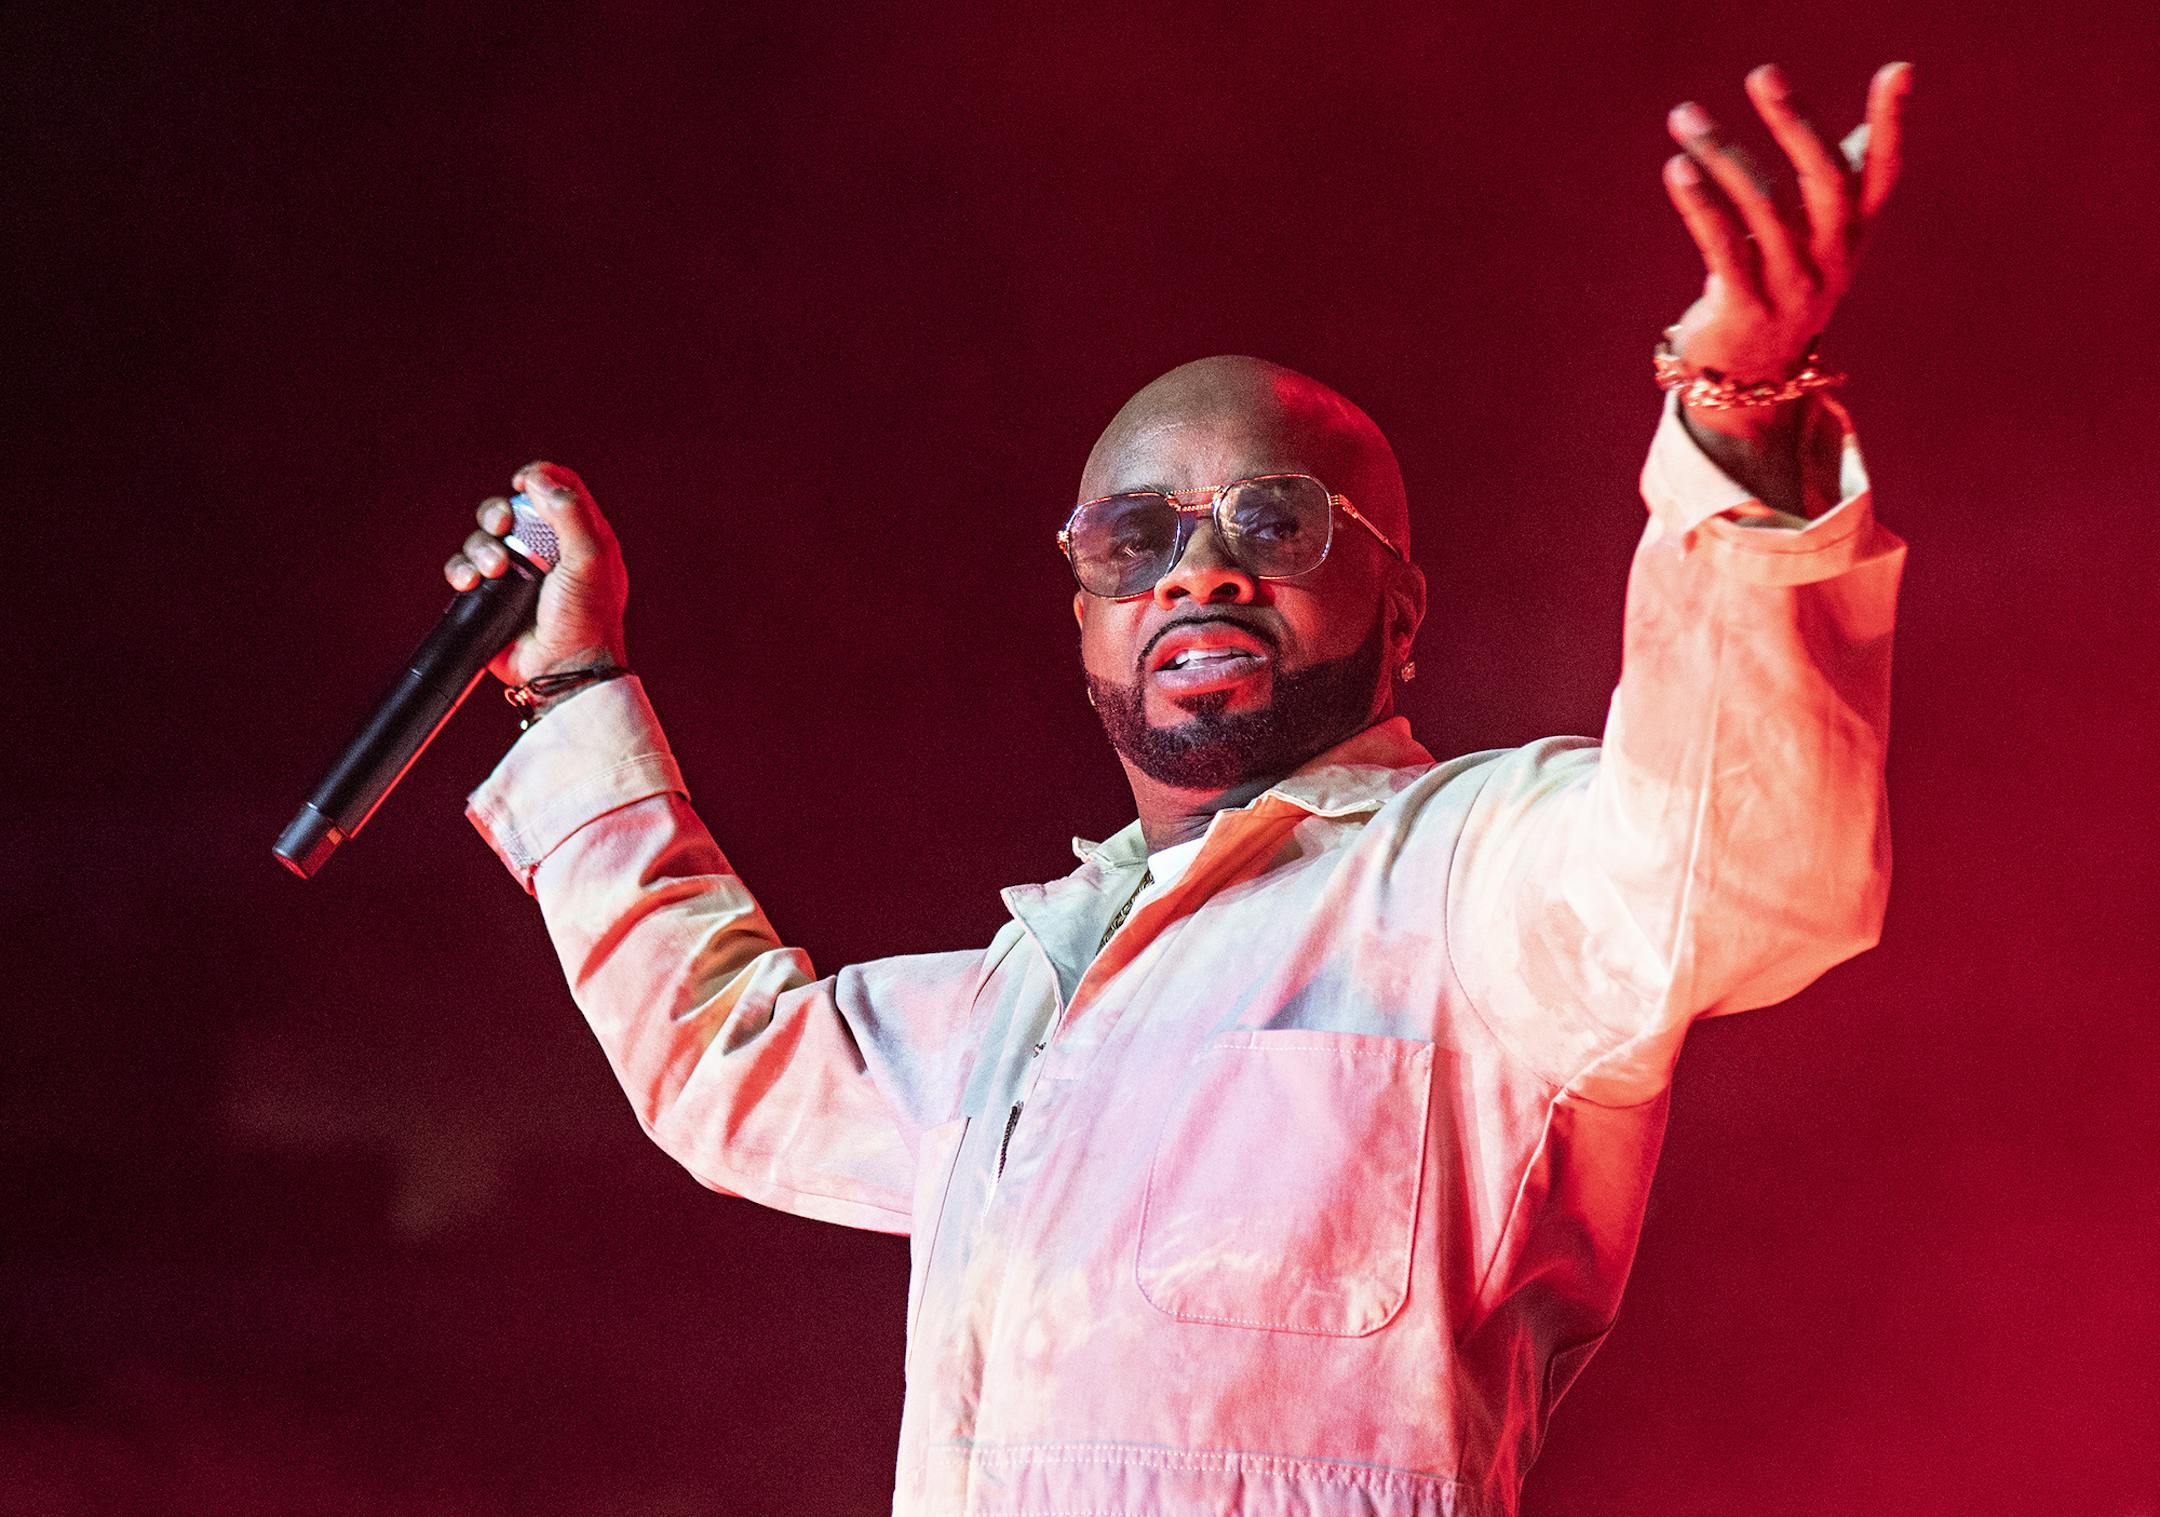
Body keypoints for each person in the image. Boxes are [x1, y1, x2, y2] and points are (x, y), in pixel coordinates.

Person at [444, 63, 1913, 1517]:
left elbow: (1741, 863)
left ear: (1402, 614)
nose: (1198, 568)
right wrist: (571, 689)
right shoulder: (1029, 997)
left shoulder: (1475, 885)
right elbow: (730, 1066)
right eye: (1132, 536)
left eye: (1274, 519)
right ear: (1082, 621)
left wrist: (1737, 420)